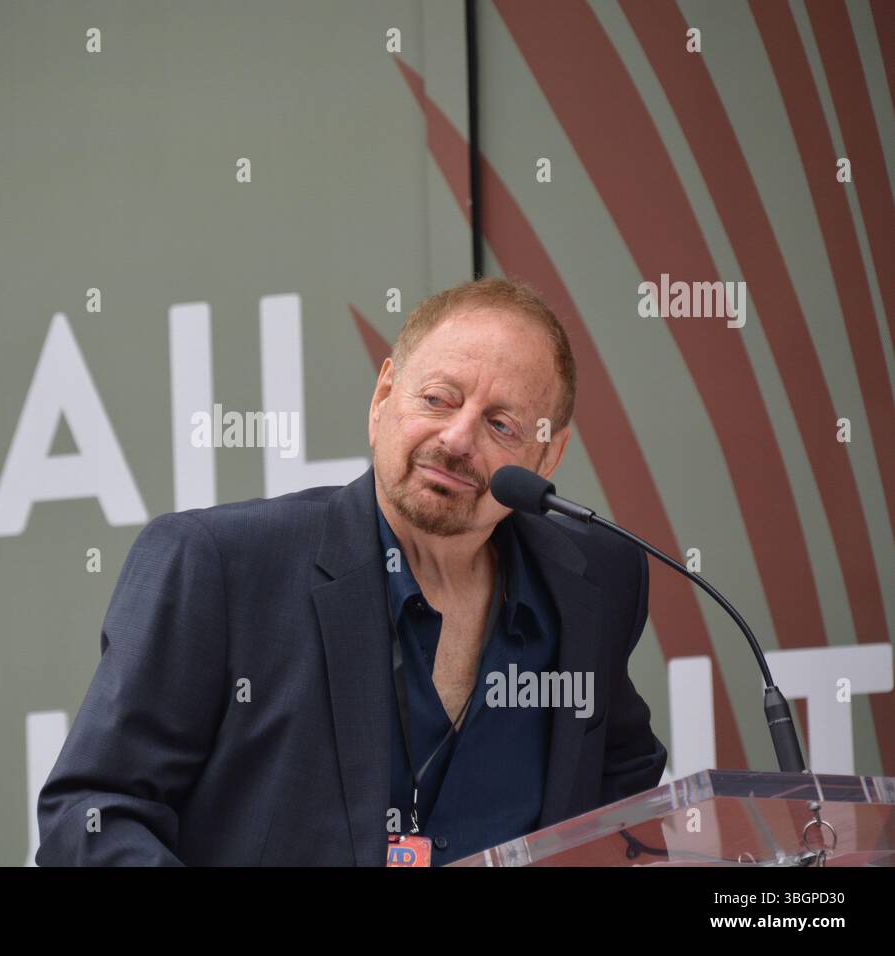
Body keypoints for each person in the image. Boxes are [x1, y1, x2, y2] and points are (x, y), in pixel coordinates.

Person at [36, 277, 668, 866]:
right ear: (384, 395)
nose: (455, 438)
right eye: (437, 398)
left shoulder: (595, 580)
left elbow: (623, 776)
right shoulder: (218, 566)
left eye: (500, 424)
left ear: (548, 453)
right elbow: (91, 813)